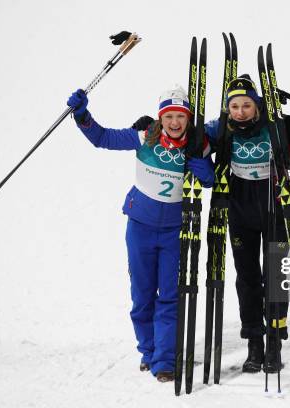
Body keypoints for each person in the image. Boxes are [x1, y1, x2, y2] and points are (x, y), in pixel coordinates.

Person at [66, 86, 214, 383]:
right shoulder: (145, 136)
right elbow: (103, 138)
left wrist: (205, 170)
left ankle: (164, 360)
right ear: (161, 117)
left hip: (175, 230)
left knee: (170, 296)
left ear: (187, 119)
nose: (174, 123)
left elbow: (215, 162)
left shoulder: (199, 144)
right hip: (141, 226)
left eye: (180, 117)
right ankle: (148, 351)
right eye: (169, 116)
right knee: (142, 295)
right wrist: (81, 115)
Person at [202, 75, 290, 374]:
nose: (240, 111)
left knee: (275, 276)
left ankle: (275, 341)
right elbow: (189, 138)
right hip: (240, 209)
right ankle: (254, 342)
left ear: (258, 105)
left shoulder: (278, 123)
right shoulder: (220, 129)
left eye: (246, 105)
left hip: (275, 205)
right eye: (234, 106)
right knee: (247, 278)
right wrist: (152, 128)